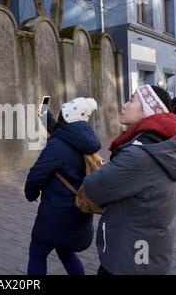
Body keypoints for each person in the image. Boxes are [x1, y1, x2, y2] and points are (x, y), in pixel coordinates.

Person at [82, 85, 176, 275]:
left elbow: (93, 187)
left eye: (131, 100)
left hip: (129, 260)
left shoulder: (139, 155)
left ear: (148, 110)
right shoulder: (159, 144)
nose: (124, 105)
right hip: (148, 252)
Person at [25, 97, 101, 275]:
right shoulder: (83, 137)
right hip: (77, 212)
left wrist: (31, 194)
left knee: (37, 253)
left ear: (66, 116)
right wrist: (44, 107)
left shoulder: (57, 145)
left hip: (56, 214)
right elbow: (55, 126)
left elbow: (36, 175)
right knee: (66, 252)